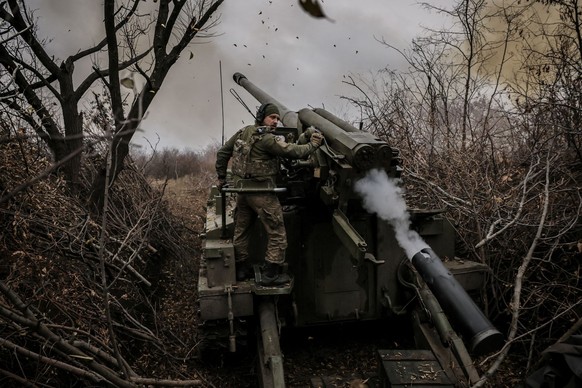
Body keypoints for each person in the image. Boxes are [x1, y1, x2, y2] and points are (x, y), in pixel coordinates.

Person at [215, 103, 324, 286]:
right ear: (262, 117)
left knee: (242, 231)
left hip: (242, 192)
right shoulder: (267, 139)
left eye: (277, 118)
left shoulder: (244, 132)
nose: (275, 121)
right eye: (271, 117)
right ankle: (271, 274)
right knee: (277, 233)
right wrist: (312, 145)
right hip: (263, 194)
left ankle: (241, 269)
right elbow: (293, 152)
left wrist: (221, 177)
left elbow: (223, 152)